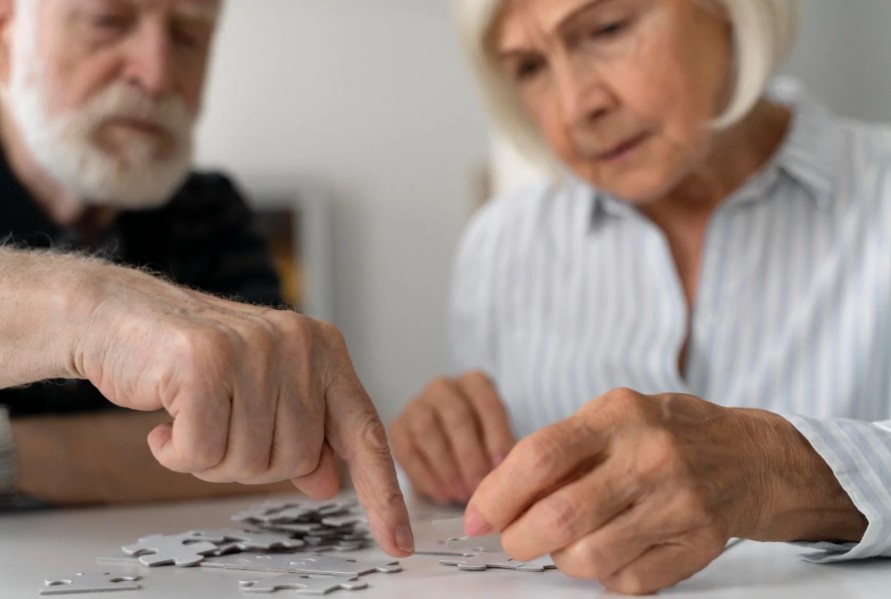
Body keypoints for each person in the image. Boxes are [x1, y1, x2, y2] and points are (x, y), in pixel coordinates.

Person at [390, 0, 891, 591]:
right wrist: (442, 452)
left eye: (606, 30)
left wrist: (773, 470)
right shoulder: (500, 247)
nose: (578, 107)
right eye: (528, 67)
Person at [0, 0, 413, 558]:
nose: (157, 72)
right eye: (107, 21)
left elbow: (285, 454)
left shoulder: (210, 208)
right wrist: (87, 305)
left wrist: (10, 453)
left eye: (189, 36)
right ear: (7, 34)